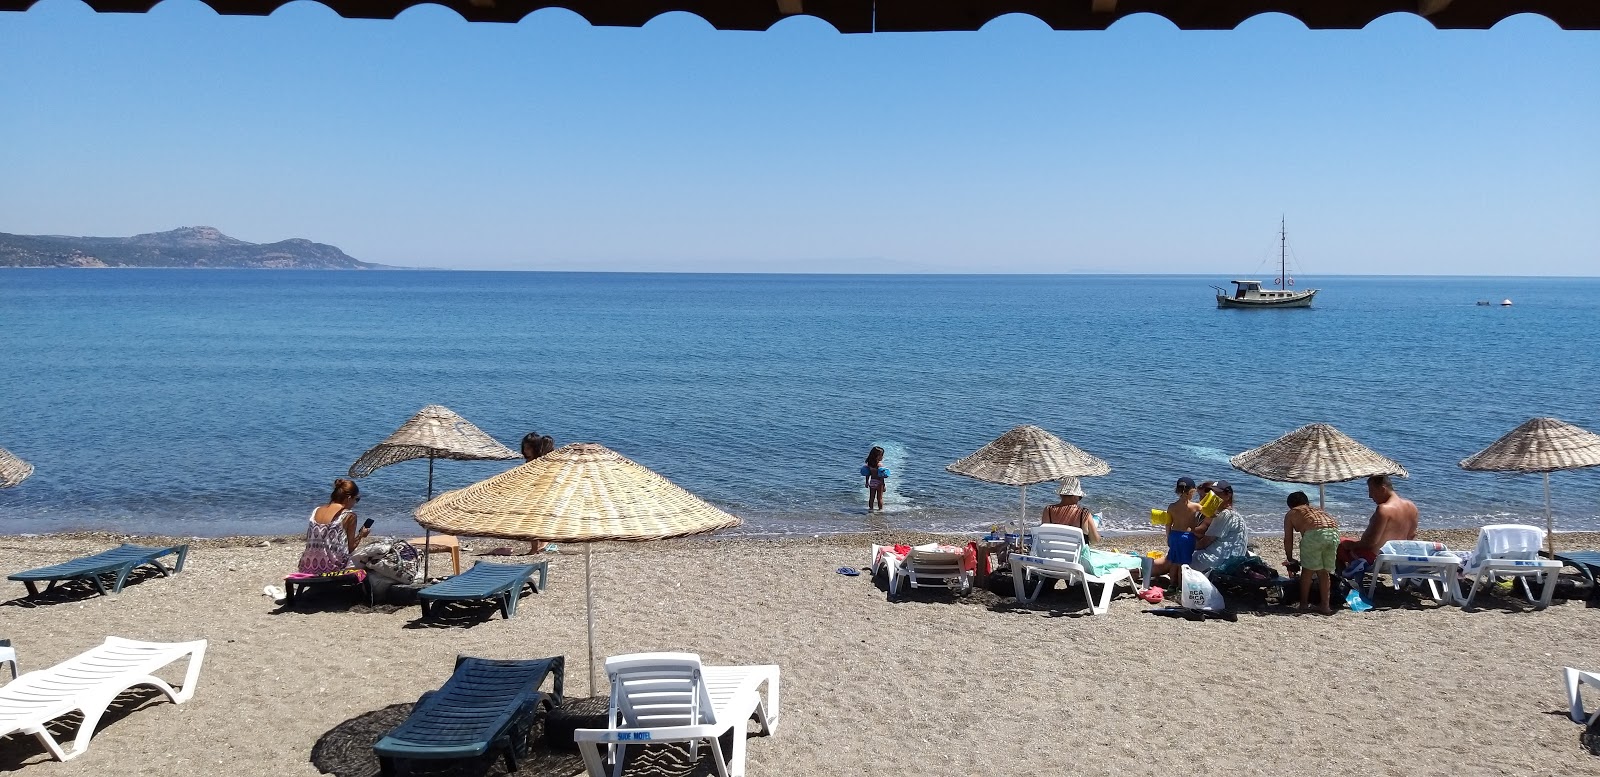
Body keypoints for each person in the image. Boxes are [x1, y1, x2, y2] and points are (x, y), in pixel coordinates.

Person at [1335, 474, 1419, 574]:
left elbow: (1370, 543)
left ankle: (1340, 579)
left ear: (1383, 489)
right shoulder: (1412, 507)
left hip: (1377, 560)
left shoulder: (1384, 510)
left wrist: (1351, 545)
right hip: (1398, 558)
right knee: (1346, 540)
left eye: (1371, 491)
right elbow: (1411, 537)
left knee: (1335, 544)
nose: (1370, 496)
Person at [1282, 490, 1339, 614]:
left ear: (1290, 505)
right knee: (1324, 571)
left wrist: (1290, 558)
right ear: (1307, 502)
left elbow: (1288, 539)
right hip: (1333, 532)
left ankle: (1303, 604)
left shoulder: (1292, 513)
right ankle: (1325, 606)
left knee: (1307, 571)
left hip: (1315, 534)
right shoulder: (1317, 510)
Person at [299, 478, 370, 574]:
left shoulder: (316, 510)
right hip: (333, 568)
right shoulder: (349, 515)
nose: (355, 503)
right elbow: (350, 548)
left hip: (307, 566)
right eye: (356, 499)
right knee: (368, 562)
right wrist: (361, 535)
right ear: (349, 498)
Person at [1150, 478, 1202, 586]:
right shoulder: (1195, 506)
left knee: (1173, 562)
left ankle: (1172, 585)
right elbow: (1211, 513)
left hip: (1174, 536)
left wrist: (1168, 538)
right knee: (1183, 564)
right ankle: (1180, 587)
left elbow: (1168, 524)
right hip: (1187, 538)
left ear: (1177, 491)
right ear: (1192, 491)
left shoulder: (1172, 506)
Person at [1189, 480, 1250, 573]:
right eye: (1213, 494)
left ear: (1227, 495)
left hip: (1220, 561)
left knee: (1180, 560)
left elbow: (1204, 543)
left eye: (1217, 494)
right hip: (1231, 558)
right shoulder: (1233, 514)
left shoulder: (1225, 515)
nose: (1214, 497)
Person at [1041, 477, 1098, 544]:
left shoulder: (1048, 510)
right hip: (1076, 554)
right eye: (1080, 497)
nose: (1079, 499)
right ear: (1075, 496)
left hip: (1051, 552)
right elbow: (1095, 541)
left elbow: (1044, 535)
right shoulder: (1084, 513)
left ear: (1061, 495)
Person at [862, 446, 889, 511]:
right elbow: (881, 476)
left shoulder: (869, 464)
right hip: (879, 483)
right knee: (879, 498)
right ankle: (880, 510)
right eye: (881, 455)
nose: (882, 457)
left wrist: (866, 482)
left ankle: (871, 509)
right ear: (877, 456)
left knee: (871, 498)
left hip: (872, 482)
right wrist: (884, 485)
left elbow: (867, 474)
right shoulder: (879, 465)